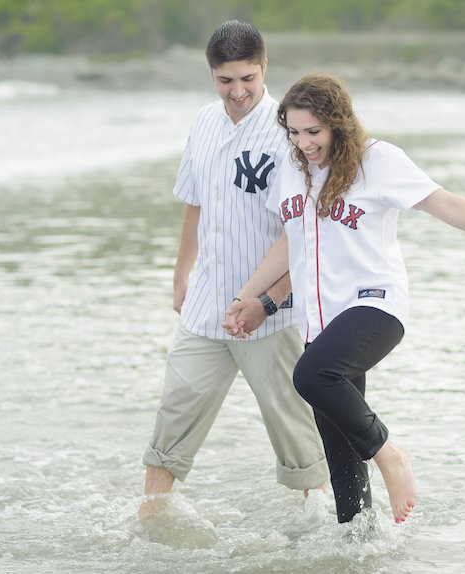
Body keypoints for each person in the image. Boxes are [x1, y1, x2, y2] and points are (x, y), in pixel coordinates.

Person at [223, 72, 465, 525]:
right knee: (340, 458)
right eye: (294, 132)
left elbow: (446, 204)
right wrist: (246, 297)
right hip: (322, 323)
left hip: (374, 306)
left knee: (311, 376)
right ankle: (360, 543)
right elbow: (287, 242)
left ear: (338, 123)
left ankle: (391, 454)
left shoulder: (378, 161)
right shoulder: (292, 172)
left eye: (313, 132)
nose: (303, 143)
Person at [138, 21, 328, 522]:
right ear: (212, 75)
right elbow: (193, 203)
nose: (238, 91)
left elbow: (304, 233)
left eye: (248, 77)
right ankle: (150, 519)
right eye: (226, 80)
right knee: (174, 415)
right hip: (205, 306)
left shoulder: (292, 133)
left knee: (294, 427)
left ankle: (321, 523)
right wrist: (182, 273)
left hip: (271, 313)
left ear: (264, 67)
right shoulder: (202, 122)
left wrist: (268, 300)